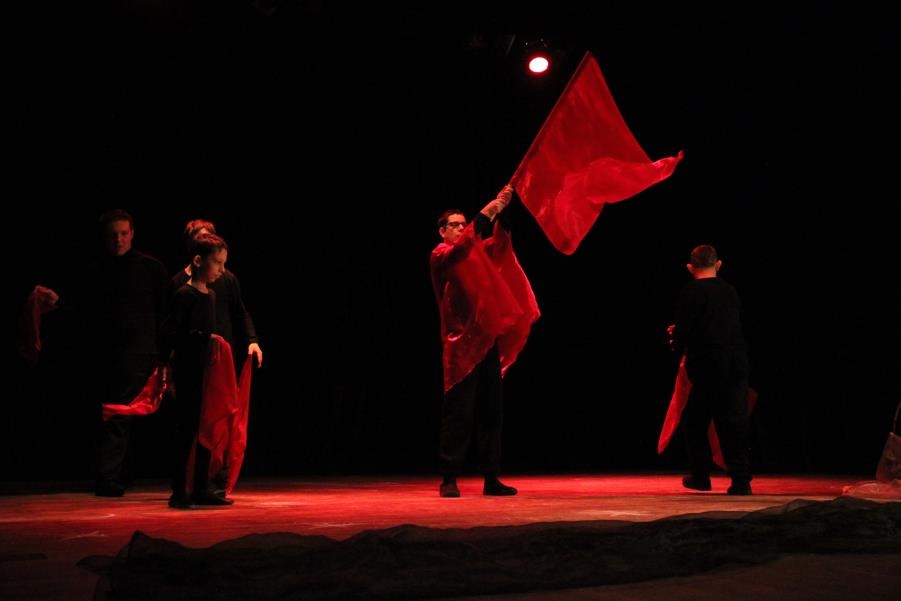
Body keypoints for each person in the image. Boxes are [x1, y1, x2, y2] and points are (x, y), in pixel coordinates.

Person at [40, 210, 169, 497]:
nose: (118, 239)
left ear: (132, 234)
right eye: (113, 235)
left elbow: (165, 311)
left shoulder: (151, 269)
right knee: (115, 414)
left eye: (123, 233)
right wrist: (58, 303)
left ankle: (116, 475)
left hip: (142, 355)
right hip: (107, 356)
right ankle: (110, 476)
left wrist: (164, 352)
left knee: (127, 414)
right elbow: (83, 310)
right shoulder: (95, 271)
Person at [430, 184, 539, 498]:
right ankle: (449, 477)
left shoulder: (478, 251)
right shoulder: (441, 254)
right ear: (442, 231)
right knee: (459, 413)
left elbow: (501, 246)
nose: (461, 229)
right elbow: (463, 247)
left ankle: (491, 477)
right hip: (460, 347)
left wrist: (504, 214)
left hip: (486, 341)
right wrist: (489, 209)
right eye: (454, 225)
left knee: (492, 411)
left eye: (464, 224)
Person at [668, 244, 752, 495]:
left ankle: (701, 475)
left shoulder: (690, 292)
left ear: (690, 267)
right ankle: (740, 479)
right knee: (732, 420)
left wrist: (676, 337)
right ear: (718, 264)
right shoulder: (730, 291)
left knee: (695, 420)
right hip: (735, 362)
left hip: (708, 364)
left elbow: (687, 329)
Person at [163, 232, 234, 508]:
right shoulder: (184, 294)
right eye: (217, 262)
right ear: (198, 260)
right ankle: (179, 491)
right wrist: (202, 338)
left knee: (205, 429)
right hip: (188, 371)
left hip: (206, 373)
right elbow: (172, 333)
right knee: (186, 431)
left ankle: (202, 487)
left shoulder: (211, 295)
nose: (222, 269)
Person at [170, 219, 262, 370]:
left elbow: (240, 312)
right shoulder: (179, 284)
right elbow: (174, 328)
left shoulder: (227, 279)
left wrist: (252, 341)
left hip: (222, 357)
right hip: (192, 361)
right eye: (200, 240)